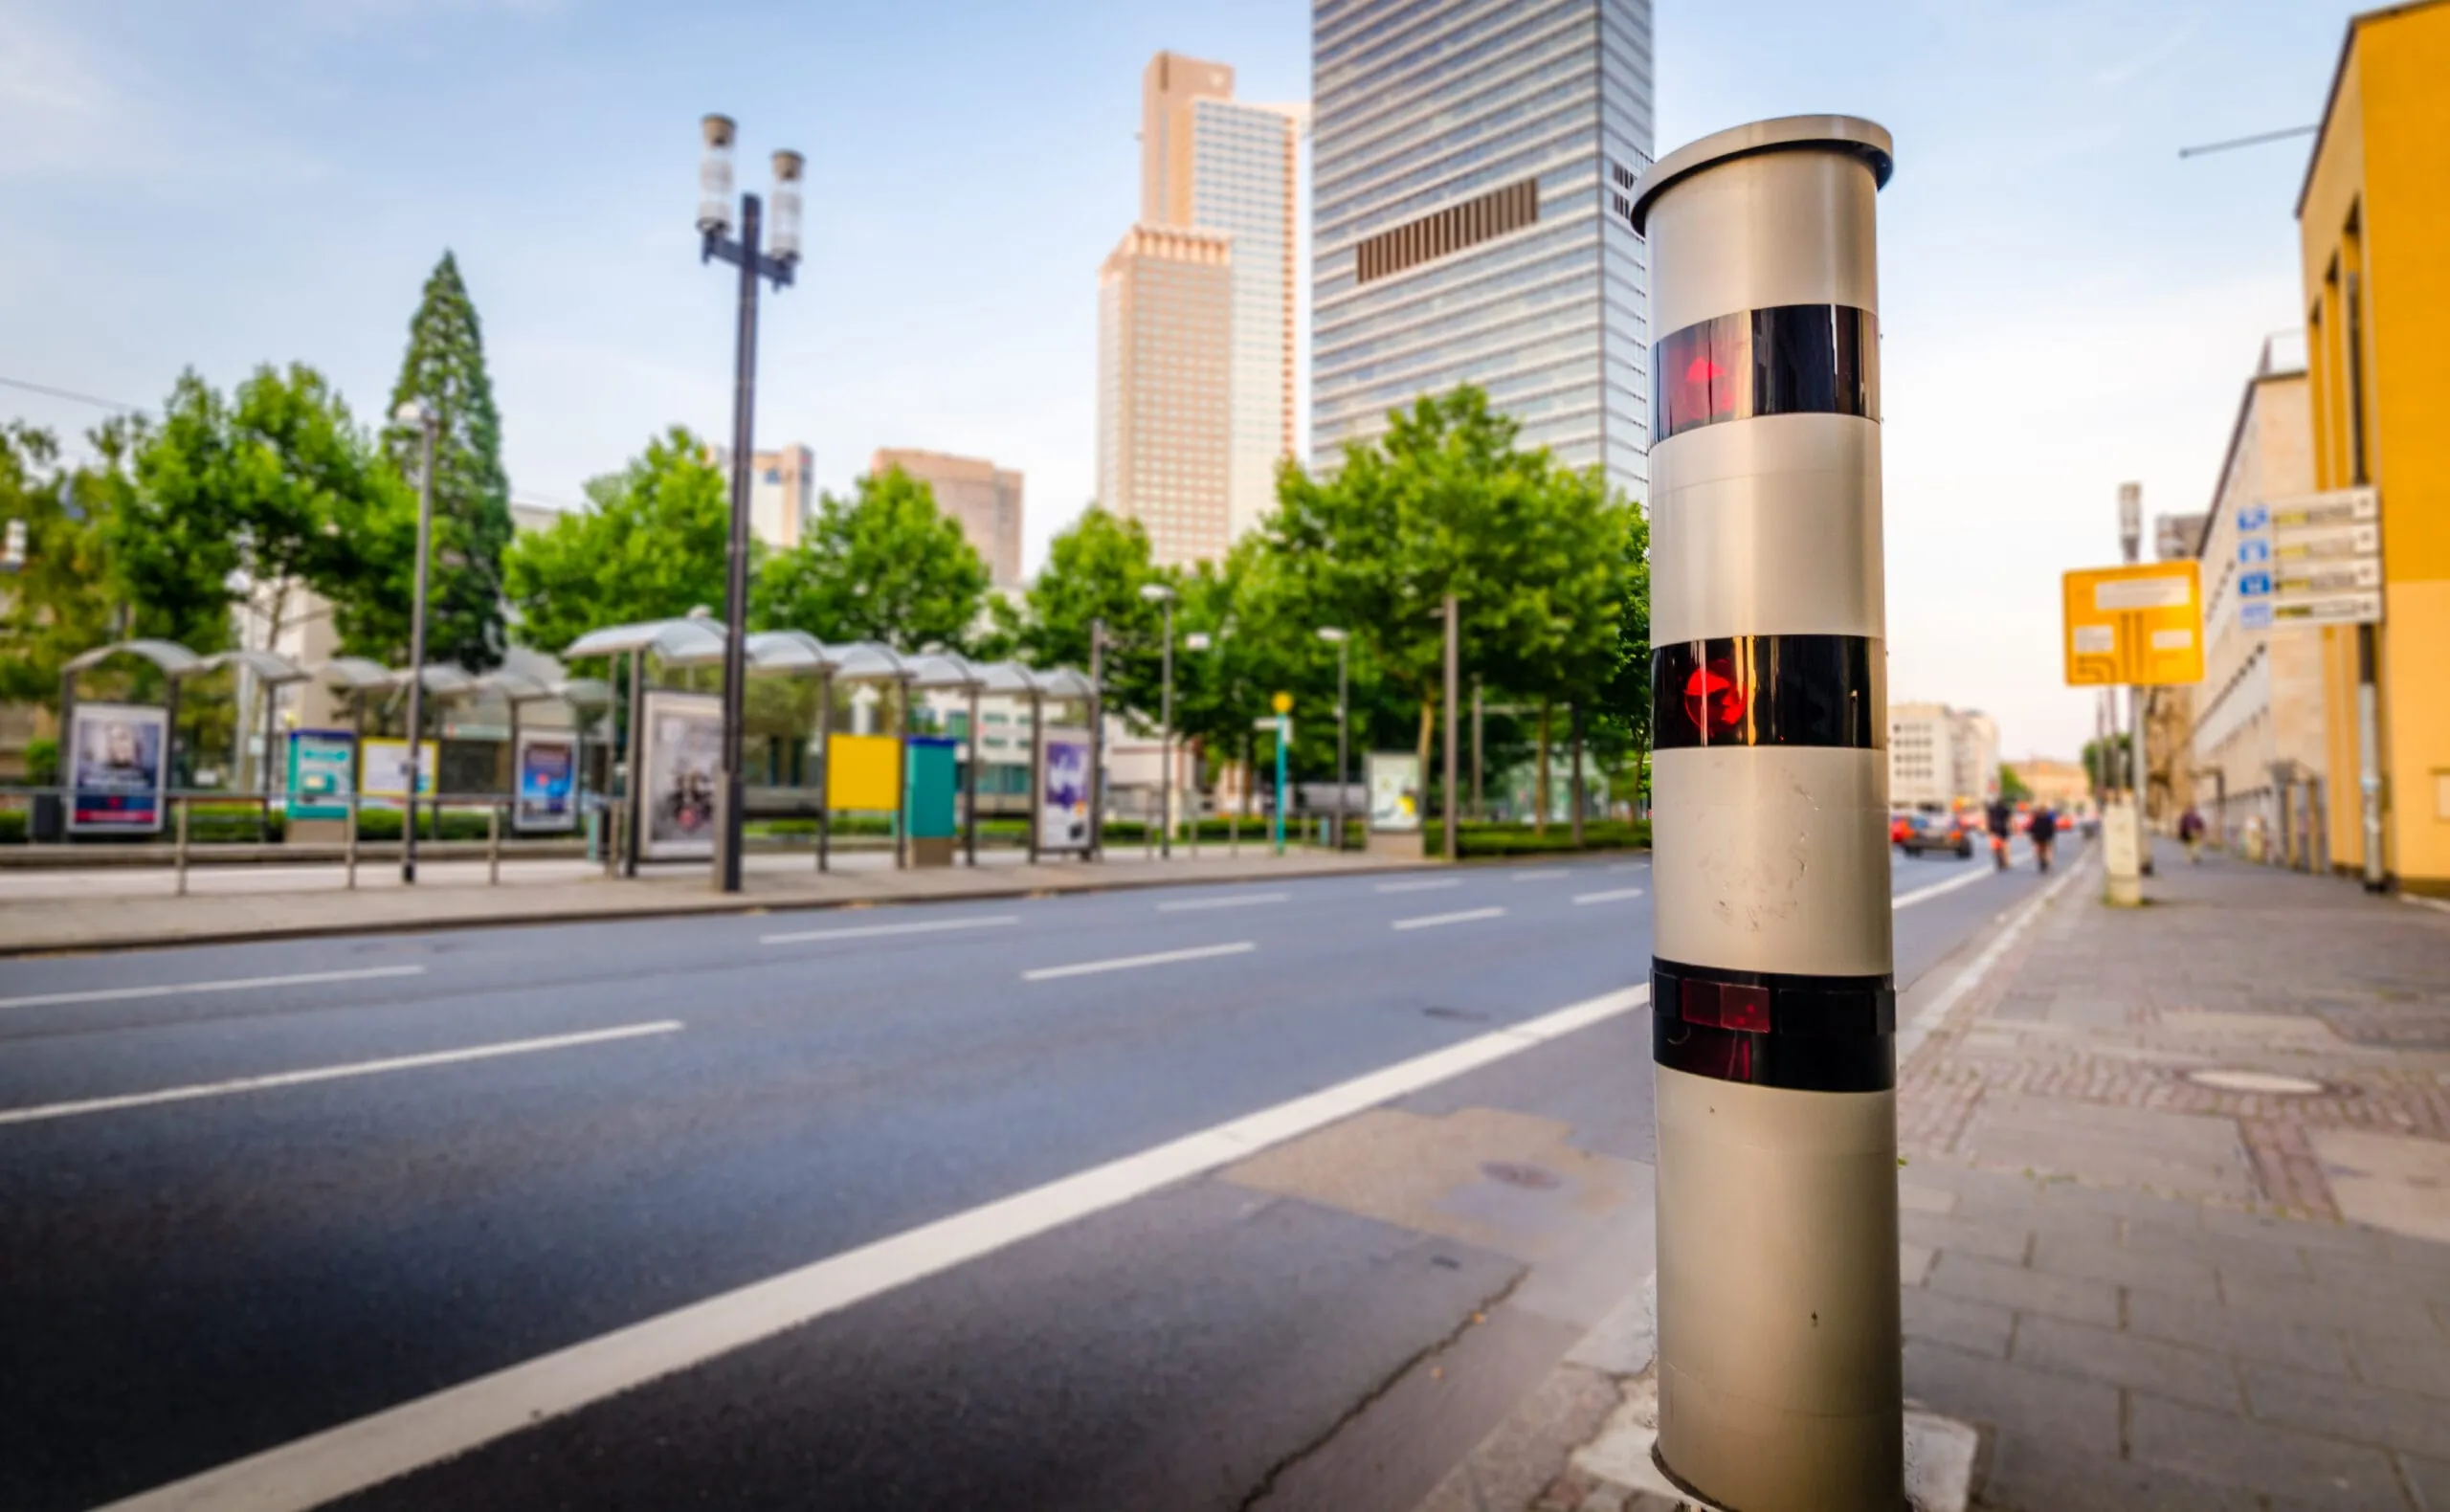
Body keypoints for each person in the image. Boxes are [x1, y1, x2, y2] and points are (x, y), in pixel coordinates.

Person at [1984, 796, 2015, 871]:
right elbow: (2010, 819)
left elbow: (1988, 819)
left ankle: (1996, 852)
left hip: (1993, 828)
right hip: (2003, 828)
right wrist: (2012, 828)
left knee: (1994, 844)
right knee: (2005, 845)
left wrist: (1987, 829)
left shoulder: (1991, 809)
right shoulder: (2006, 809)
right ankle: (2006, 861)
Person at [2029, 804, 2059, 873]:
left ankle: (2040, 859)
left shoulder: (2035, 819)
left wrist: (2032, 836)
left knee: (2038, 849)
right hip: (2047, 837)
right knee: (2048, 849)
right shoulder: (2048, 819)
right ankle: (2048, 861)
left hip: (2038, 837)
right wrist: (2051, 835)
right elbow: (2053, 828)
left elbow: (2031, 828)